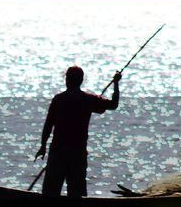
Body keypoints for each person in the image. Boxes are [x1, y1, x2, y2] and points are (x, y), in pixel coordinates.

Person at [36, 65, 120, 197]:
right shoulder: (88, 99)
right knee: (77, 194)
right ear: (81, 80)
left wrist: (43, 146)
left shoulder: (59, 99)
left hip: (58, 153)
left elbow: (48, 125)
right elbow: (113, 104)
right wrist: (116, 83)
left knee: (50, 193)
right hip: (77, 154)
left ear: (67, 80)